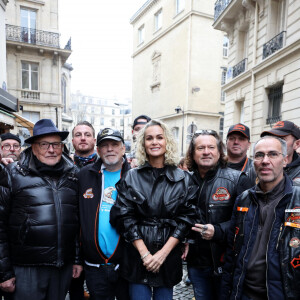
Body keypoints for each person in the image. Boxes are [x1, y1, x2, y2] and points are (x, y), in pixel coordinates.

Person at [110, 119, 198, 300]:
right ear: (143, 143)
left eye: (160, 137)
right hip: (137, 256)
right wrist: (145, 254)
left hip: (168, 256)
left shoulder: (184, 178)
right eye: (149, 138)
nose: (155, 142)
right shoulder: (131, 177)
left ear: (167, 142)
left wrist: (162, 255)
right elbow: (124, 217)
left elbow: (186, 219)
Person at [0, 119, 82, 300]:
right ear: (34, 147)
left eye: (56, 144)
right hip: (26, 268)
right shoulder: (13, 173)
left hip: (62, 266)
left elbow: (76, 222)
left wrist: (76, 259)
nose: (51, 150)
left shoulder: (73, 174)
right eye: (44, 144)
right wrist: (4, 272)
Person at [221, 135, 300, 299]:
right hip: (244, 293)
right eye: (259, 155)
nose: (265, 160)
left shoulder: (297, 200)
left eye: (273, 154)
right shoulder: (243, 199)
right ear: (253, 161)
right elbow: (231, 253)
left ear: (285, 160)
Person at [184, 129, 251, 300]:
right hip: (196, 264)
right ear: (192, 153)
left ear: (220, 151)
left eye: (211, 147)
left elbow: (249, 221)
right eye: (200, 148)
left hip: (226, 263)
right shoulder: (184, 181)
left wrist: (219, 231)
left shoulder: (238, 179)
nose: (206, 152)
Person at [77, 128, 131, 300]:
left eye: (114, 144)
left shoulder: (134, 176)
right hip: (94, 265)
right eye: (104, 145)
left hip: (126, 263)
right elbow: (76, 218)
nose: (109, 149)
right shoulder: (84, 175)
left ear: (123, 148)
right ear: (98, 150)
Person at [69, 121, 97, 300]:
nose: (83, 138)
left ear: (94, 139)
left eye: (87, 134)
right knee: (75, 291)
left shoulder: (107, 166)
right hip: (71, 241)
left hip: (96, 239)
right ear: (72, 140)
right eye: (78, 135)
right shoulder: (63, 166)